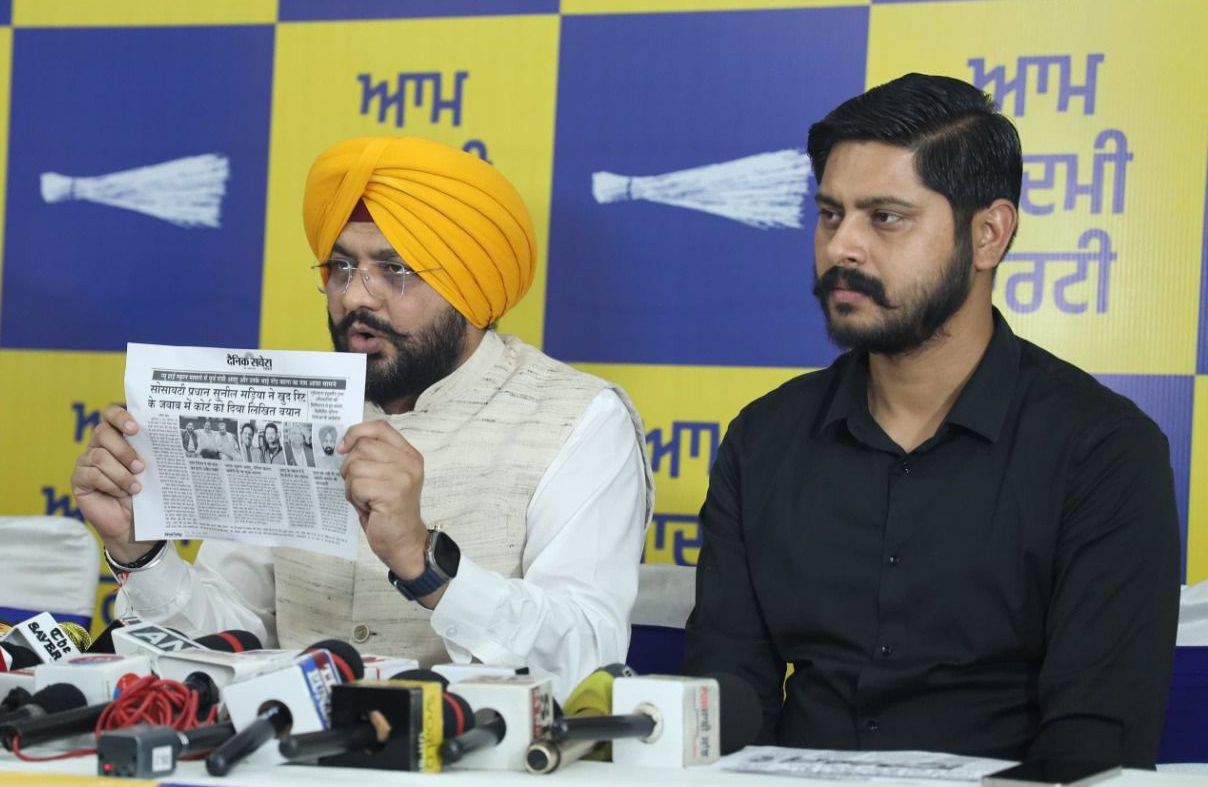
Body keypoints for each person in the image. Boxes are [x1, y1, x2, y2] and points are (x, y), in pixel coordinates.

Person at [682, 74, 1180, 768]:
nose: (842, 247)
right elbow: (723, 699)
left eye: (885, 217)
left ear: (989, 234)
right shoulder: (763, 439)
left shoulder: (1104, 451)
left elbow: (1097, 739)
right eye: (830, 214)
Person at [71, 136, 653, 699]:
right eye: (342, 267)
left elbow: (585, 656)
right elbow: (227, 640)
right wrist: (141, 553)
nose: (355, 297)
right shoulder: (293, 407)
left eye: (394, 269)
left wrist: (425, 563)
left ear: (470, 288)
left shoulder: (579, 419)